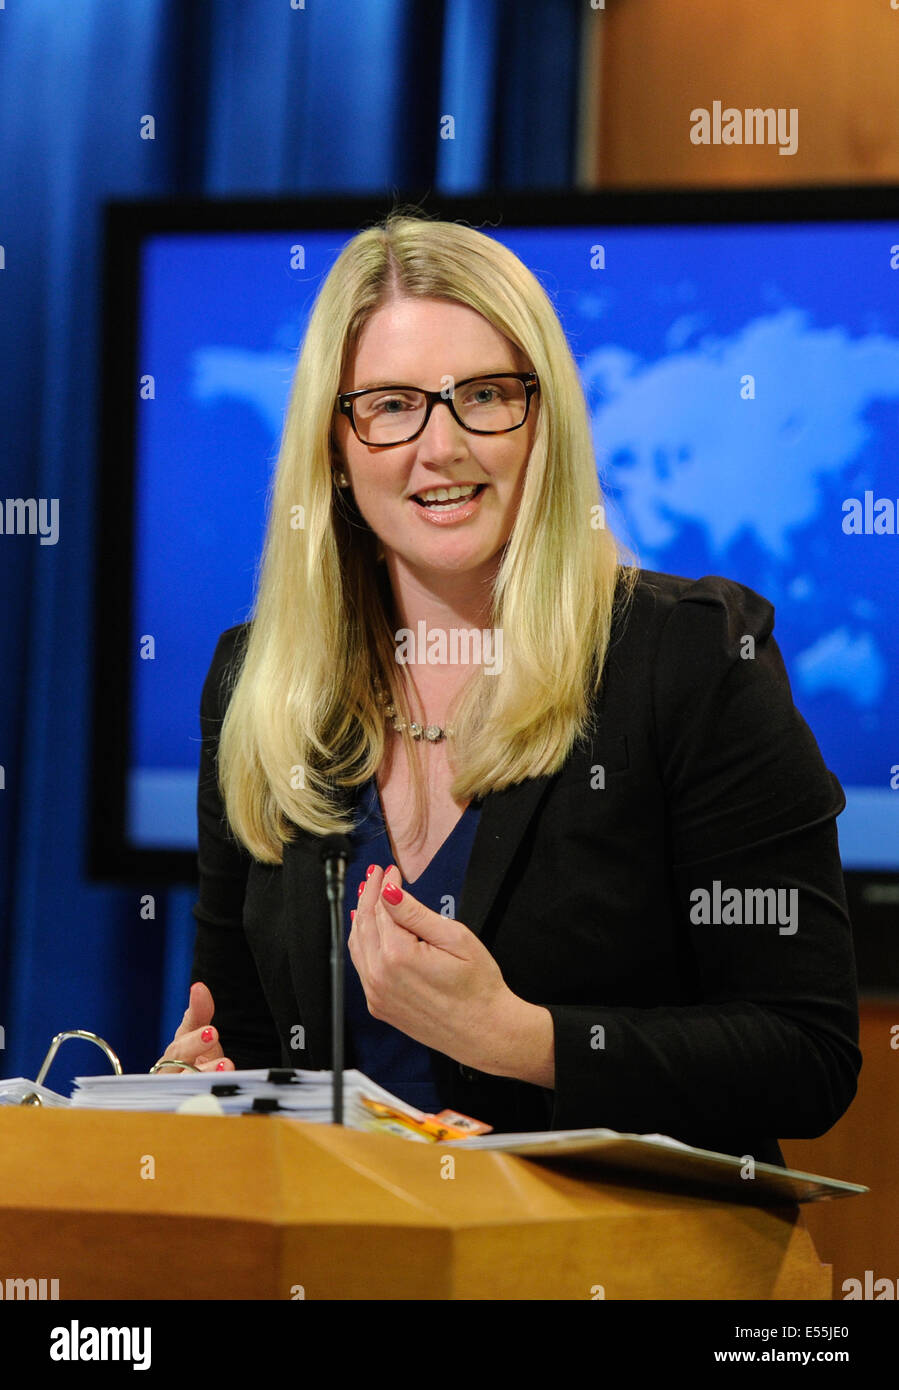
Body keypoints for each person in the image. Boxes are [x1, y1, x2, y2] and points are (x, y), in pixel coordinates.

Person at [156, 211, 861, 1165]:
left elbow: (805, 1056)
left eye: (485, 396)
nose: (440, 447)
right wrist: (207, 1088)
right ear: (335, 442)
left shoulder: (688, 659)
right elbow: (241, 1035)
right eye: (392, 404)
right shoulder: (257, 683)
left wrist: (519, 1039)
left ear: (544, 422)